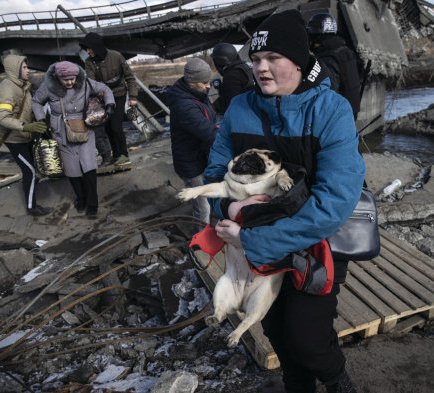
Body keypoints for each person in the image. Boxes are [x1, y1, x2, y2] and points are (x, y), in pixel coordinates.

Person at [205, 9, 365, 393]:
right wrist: (228, 209)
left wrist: (252, 240)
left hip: (317, 243)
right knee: (276, 331)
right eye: (256, 59)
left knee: (307, 338)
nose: (262, 68)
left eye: (273, 58)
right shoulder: (241, 107)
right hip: (255, 245)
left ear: (299, 59)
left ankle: (338, 381)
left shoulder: (331, 111)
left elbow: (334, 202)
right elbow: (214, 173)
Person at [32, 61, 115, 219]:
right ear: (58, 78)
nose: (70, 82)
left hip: (85, 129)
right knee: (72, 170)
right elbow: (36, 102)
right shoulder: (48, 87)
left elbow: (104, 88)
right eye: (66, 79)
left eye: (73, 79)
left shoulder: (85, 82)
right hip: (61, 131)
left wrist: (110, 104)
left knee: (89, 166)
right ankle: (81, 198)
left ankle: (92, 204)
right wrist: (41, 120)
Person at [0, 54, 52, 217]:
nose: (28, 70)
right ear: (15, 70)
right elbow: (2, 117)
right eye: (24, 67)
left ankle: (31, 194)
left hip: (25, 134)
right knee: (30, 171)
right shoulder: (6, 89)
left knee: (32, 169)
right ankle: (32, 207)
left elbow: (29, 109)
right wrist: (26, 126)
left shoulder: (23, 85)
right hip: (14, 138)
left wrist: (41, 124)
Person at [168, 57, 218, 227]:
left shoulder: (198, 94)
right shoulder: (184, 105)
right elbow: (208, 132)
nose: (208, 85)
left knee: (209, 199)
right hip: (191, 163)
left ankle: (209, 231)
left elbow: (210, 121)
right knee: (202, 206)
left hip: (201, 156)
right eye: (204, 82)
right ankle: (200, 242)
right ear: (191, 82)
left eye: (209, 81)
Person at [79, 32, 138, 166]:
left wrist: (133, 97)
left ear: (96, 46)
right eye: (86, 49)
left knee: (116, 126)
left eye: (89, 48)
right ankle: (115, 155)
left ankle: (124, 154)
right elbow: (91, 81)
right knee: (108, 129)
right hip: (102, 99)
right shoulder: (89, 62)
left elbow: (129, 77)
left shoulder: (116, 56)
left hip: (118, 94)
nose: (88, 52)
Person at [307, 12, 361, 119]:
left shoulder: (327, 57)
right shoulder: (345, 51)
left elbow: (329, 89)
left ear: (317, 35)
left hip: (335, 116)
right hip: (350, 112)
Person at [210, 43, 255, 114]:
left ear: (220, 61)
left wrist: (212, 108)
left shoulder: (232, 75)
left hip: (247, 114)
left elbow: (232, 104)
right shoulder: (248, 66)